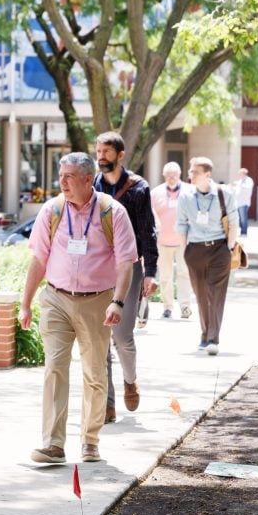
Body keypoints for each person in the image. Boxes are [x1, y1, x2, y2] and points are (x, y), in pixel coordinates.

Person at [19, 152, 137, 464]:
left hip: (97, 301)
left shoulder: (113, 213)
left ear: (88, 179)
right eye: (61, 176)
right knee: (55, 368)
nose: (63, 183)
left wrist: (118, 301)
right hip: (56, 298)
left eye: (69, 177)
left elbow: (126, 263)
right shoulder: (53, 210)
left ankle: (90, 440)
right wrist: (26, 303)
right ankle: (53, 444)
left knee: (94, 373)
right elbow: (38, 260)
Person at [93, 132, 158, 423]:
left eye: (107, 151)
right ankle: (106, 402)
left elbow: (148, 232)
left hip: (129, 268)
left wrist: (151, 272)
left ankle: (130, 380)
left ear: (120, 155)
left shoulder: (138, 188)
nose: (101, 156)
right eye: (98, 151)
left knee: (121, 335)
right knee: (100, 338)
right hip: (97, 269)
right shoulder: (90, 186)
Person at [177, 157, 239, 356]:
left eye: (195, 171)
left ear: (207, 174)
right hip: (194, 250)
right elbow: (182, 225)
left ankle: (213, 339)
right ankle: (205, 334)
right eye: (191, 170)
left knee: (216, 293)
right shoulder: (185, 197)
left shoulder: (224, 193)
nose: (190, 174)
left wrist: (228, 249)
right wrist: (183, 251)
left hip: (219, 249)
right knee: (201, 294)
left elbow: (234, 222)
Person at [151, 162, 194, 320]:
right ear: (164, 175)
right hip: (163, 242)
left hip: (184, 241)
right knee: (165, 276)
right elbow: (150, 214)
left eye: (174, 175)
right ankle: (167, 306)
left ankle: (185, 306)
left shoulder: (189, 191)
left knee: (184, 273)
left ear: (180, 174)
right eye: (168, 175)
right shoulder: (155, 193)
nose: (171, 178)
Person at [234, 167, 254, 236]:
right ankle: (241, 231)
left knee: (243, 219)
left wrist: (239, 184)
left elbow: (247, 188)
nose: (239, 175)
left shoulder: (248, 180)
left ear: (244, 174)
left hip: (244, 202)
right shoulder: (240, 181)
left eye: (240, 174)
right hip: (238, 203)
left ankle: (244, 232)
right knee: (239, 219)